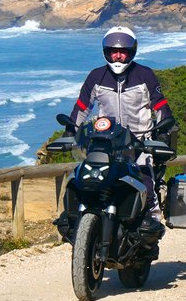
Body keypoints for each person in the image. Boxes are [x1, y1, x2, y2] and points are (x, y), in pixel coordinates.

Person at [65, 26, 176, 232]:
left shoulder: (145, 75)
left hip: (140, 143)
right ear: (105, 52)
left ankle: (152, 222)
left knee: (146, 183)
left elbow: (160, 106)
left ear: (131, 51)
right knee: (86, 180)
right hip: (106, 142)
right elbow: (82, 107)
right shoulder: (96, 76)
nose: (117, 55)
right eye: (113, 51)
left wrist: (162, 133)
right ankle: (78, 224)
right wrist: (71, 130)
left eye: (123, 51)